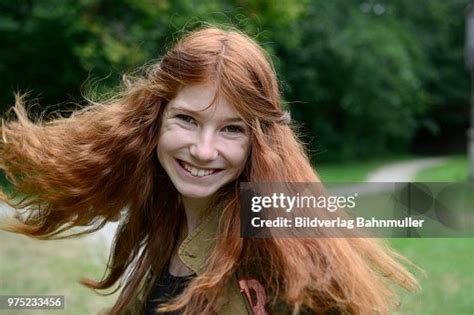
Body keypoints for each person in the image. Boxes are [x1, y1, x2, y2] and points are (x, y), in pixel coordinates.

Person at [0, 25, 419, 314]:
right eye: (187, 119)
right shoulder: (163, 213)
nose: (203, 150)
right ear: (155, 118)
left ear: (260, 141)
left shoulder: (276, 245)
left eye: (232, 129)